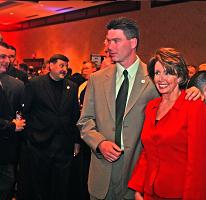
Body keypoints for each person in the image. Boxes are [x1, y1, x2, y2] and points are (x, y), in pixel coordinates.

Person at [77, 17, 200, 200]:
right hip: (101, 174)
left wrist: (196, 90)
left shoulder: (154, 78)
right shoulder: (96, 79)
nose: (109, 46)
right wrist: (100, 143)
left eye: (116, 41)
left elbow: (174, 103)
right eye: (108, 41)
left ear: (133, 42)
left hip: (137, 175)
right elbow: (85, 120)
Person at [128, 48, 206, 200]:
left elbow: (198, 161)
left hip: (179, 194)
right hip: (149, 192)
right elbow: (148, 151)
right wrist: (138, 188)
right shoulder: (151, 107)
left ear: (180, 77)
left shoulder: (193, 106)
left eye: (168, 72)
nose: (161, 78)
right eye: (157, 73)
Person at [17, 54, 80, 200]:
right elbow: (25, 111)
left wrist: (76, 141)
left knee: (60, 185)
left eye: (66, 66)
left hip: (63, 146)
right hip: (40, 144)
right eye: (61, 65)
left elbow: (75, 116)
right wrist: (29, 137)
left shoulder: (72, 87)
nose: (64, 69)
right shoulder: (35, 84)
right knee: (39, 183)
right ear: (50, 65)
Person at [0, 41, 25, 200]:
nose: (7, 61)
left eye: (8, 57)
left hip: (7, 152)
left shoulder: (15, 83)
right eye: (2, 57)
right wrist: (11, 125)